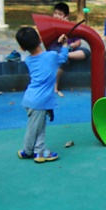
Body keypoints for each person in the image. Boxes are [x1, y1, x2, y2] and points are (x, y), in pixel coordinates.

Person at [15, 26, 68, 163]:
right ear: (40, 39)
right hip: (40, 101)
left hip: (31, 98)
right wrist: (64, 44)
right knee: (38, 129)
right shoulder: (51, 56)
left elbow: (45, 56)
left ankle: (33, 150)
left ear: (22, 48)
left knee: (36, 126)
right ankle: (36, 151)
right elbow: (62, 57)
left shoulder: (28, 60)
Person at [49, 2, 90, 97]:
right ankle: (55, 86)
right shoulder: (51, 25)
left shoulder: (70, 25)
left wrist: (71, 46)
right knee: (64, 61)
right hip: (56, 49)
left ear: (66, 16)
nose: (56, 16)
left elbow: (78, 42)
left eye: (60, 14)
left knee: (86, 52)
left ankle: (65, 55)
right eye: (55, 13)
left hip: (69, 49)